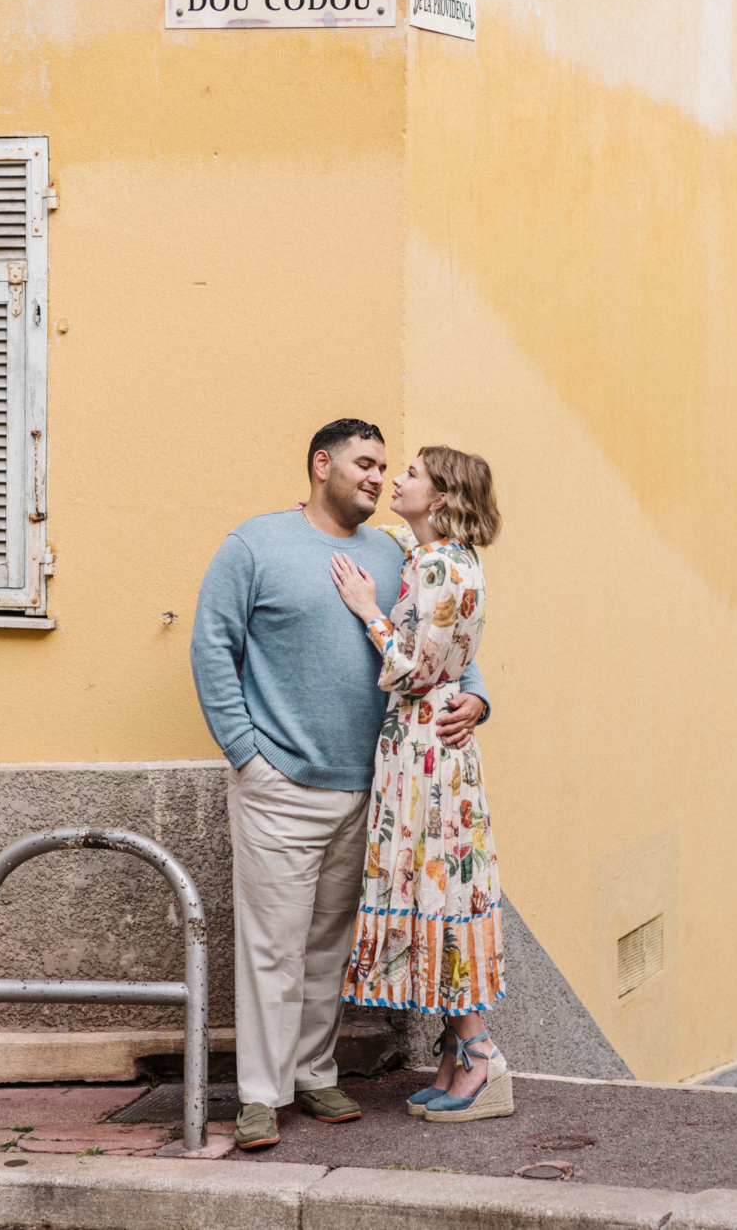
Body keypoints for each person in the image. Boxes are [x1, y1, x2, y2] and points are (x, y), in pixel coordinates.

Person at [190, 419, 490, 1150]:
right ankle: (260, 1096)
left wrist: (477, 699)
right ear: (320, 465)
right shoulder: (254, 544)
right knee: (272, 944)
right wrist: (247, 755)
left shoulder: (395, 552)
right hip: (280, 782)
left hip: (376, 792)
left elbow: (440, 642)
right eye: (363, 463)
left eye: (387, 466)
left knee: (330, 943)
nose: (378, 477)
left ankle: (313, 1075)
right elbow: (211, 646)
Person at [330, 446, 510, 1123]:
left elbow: (415, 671)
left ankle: (480, 1054)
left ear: (437, 497)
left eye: (409, 475)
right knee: (439, 890)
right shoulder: (441, 554)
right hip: (433, 745)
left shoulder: (438, 565)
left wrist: (365, 607)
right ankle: (455, 1054)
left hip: (426, 752)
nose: (393, 481)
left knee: (439, 891)